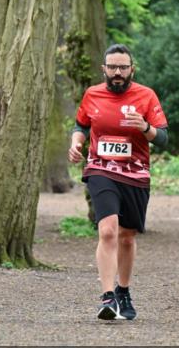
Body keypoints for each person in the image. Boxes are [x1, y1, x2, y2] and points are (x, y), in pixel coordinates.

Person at [69, 44, 169, 321]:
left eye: (122, 68)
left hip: (136, 173)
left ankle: (123, 290)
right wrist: (76, 143)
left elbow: (163, 138)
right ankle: (107, 297)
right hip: (100, 169)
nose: (117, 72)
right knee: (108, 231)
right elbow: (81, 125)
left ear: (131, 70)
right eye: (112, 67)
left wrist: (145, 128)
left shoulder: (146, 95)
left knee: (127, 236)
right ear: (104, 69)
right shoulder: (92, 94)